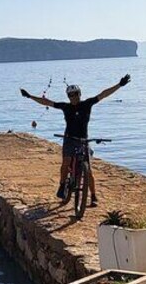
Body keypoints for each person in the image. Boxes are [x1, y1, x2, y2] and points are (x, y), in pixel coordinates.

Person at [20, 74, 130, 207]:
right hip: (69, 139)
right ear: (68, 97)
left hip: (83, 139)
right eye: (70, 95)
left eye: (75, 94)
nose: (73, 97)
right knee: (66, 162)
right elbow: (47, 102)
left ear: (79, 94)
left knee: (88, 170)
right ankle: (62, 186)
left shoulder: (87, 104)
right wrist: (30, 96)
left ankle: (93, 196)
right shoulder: (65, 107)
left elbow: (104, 94)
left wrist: (119, 85)